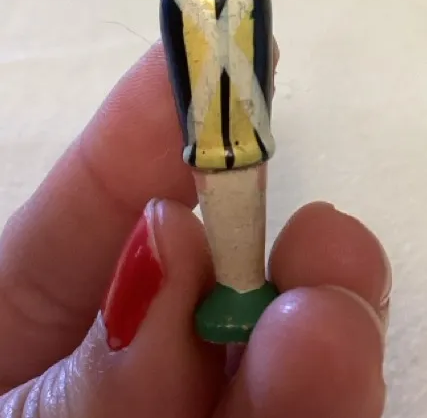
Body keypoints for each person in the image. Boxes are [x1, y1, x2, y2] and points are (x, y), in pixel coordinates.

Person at [0, 41, 390, 417]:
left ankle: (244, 288)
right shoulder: (186, 5)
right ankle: (238, 288)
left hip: (238, 136)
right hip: (212, 138)